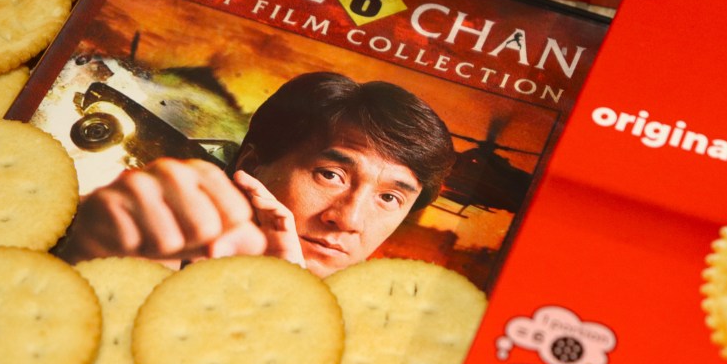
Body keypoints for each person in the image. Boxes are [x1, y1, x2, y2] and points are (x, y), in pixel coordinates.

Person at [59, 71, 456, 277]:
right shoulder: (140, 242)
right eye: (330, 175)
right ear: (251, 166)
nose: (349, 219)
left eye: (389, 198)